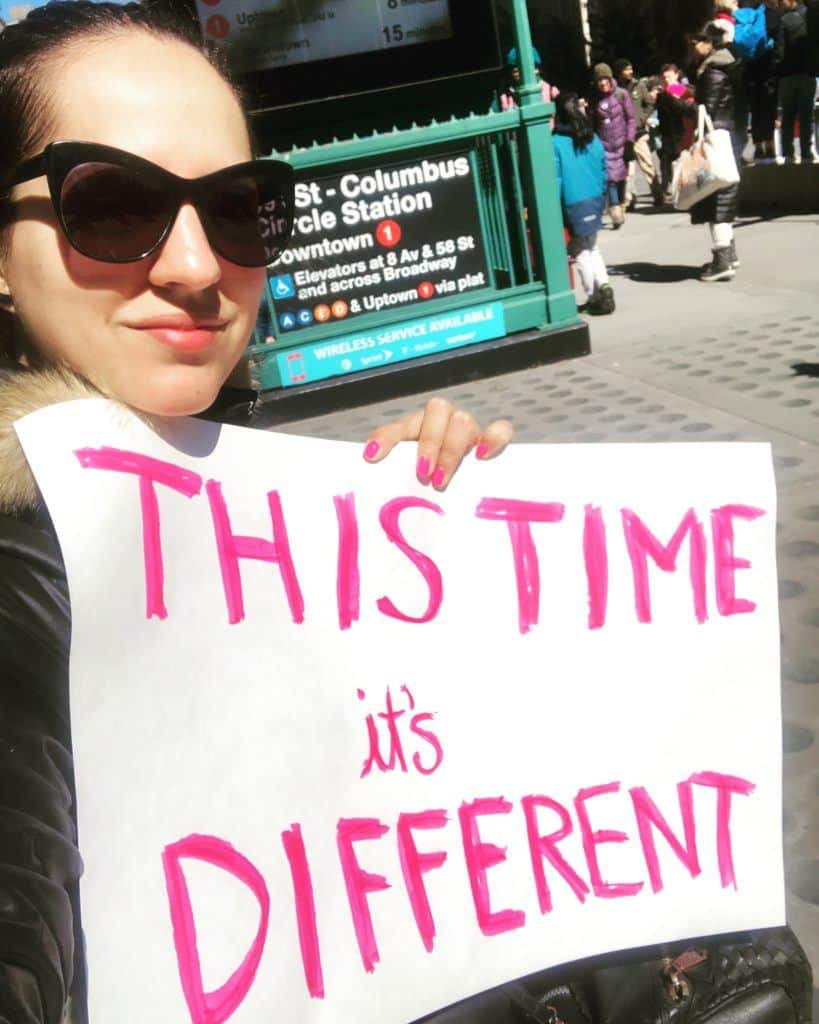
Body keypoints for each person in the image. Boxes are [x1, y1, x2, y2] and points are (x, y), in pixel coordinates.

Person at [0, 4, 514, 1021]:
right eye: (109, 203)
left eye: (239, 208)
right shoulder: (22, 596)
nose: (196, 269)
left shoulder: (295, 519)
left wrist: (442, 584)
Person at [552, 92, 615, 315]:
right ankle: (604, 284)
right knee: (592, 246)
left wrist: (555, 205)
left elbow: (557, 177)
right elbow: (602, 166)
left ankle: (593, 296)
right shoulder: (591, 136)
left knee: (579, 251)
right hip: (595, 197)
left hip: (572, 201)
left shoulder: (556, 142)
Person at [688, 25, 742, 281]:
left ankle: (722, 261)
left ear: (708, 43)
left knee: (716, 196)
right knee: (724, 193)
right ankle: (729, 254)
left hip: (714, 136)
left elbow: (704, 110)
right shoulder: (723, 67)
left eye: (695, 43)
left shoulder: (711, 72)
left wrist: (677, 103)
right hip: (725, 132)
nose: (692, 49)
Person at [590, 62, 636, 229]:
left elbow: (631, 119)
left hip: (623, 144)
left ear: (610, 79)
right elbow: (592, 124)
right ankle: (615, 210)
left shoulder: (621, 95)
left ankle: (621, 203)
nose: (602, 83)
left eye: (605, 79)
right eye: (599, 80)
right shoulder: (594, 100)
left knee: (622, 179)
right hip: (605, 146)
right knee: (610, 180)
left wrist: (630, 141)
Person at [774, 0, 816, 162]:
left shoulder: (785, 20)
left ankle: (788, 152)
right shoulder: (811, 17)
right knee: (807, 115)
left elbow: (780, 51)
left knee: (788, 115)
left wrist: (778, 71)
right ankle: (807, 151)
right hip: (808, 73)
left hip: (788, 75)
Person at [656, 63, 696, 195]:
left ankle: (683, 192)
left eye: (669, 76)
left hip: (684, 133)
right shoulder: (662, 95)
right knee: (668, 164)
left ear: (677, 75)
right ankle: (672, 190)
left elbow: (689, 109)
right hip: (668, 134)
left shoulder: (682, 90)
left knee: (682, 164)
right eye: (664, 77)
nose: (667, 79)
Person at [627, 74, 665, 207]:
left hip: (638, 133)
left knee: (647, 165)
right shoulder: (617, 90)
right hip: (625, 135)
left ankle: (658, 195)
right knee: (628, 171)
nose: (629, 71)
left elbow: (649, 103)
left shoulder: (639, 86)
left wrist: (642, 118)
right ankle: (629, 200)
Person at [500, 45, 559, 112]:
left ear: (537, 70)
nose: (521, 75)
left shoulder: (545, 87)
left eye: (526, 70)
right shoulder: (510, 92)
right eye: (516, 71)